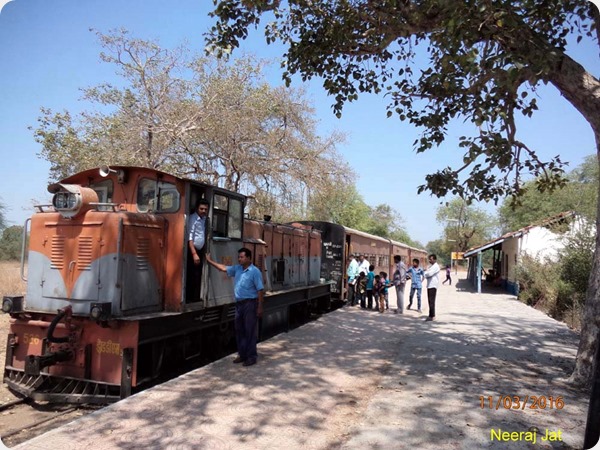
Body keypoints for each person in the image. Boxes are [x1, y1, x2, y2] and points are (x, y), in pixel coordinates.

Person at [206, 248, 264, 367]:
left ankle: (252, 356)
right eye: (239, 257)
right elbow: (222, 268)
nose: (239, 259)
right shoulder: (237, 269)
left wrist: (259, 307)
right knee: (239, 330)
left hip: (250, 304)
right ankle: (242, 355)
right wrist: (209, 261)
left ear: (248, 258)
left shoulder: (255, 271)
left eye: (242, 257)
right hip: (239, 304)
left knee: (250, 331)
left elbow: (260, 290)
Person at [186, 199, 210, 302]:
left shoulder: (204, 219)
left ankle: (196, 297)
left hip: (200, 251)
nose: (203, 211)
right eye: (201, 209)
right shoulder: (193, 219)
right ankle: (190, 298)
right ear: (197, 208)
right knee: (192, 275)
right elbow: (190, 238)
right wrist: (194, 253)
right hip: (193, 251)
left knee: (198, 275)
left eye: (205, 209)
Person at [424, 254, 441, 321]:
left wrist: (425, 273)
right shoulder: (432, 266)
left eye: (430, 259)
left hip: (432, 285)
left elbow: (429, 274)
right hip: (430, 285)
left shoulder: (435, 267)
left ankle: (432, 315)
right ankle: (430, 314)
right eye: (429, 259)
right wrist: (426, 273)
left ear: (434, 259)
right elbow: (427, 273)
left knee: (431, 301)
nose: (429, 260)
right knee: (430, 301)